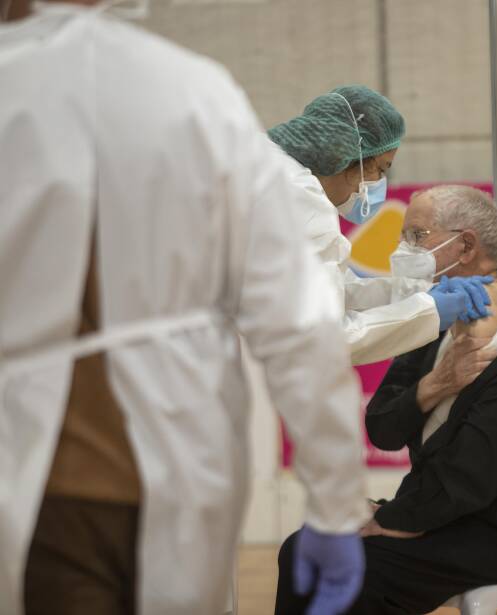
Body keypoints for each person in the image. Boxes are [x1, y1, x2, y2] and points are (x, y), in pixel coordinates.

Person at [0, 2, 370, 614]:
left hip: (45, 479)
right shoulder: (199, 92)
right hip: (188, 460)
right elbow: (300, 325)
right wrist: (336, 505)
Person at [275, 186, 497, 615]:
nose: (402, 249)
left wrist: (390, 520)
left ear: (466, 245)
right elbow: (382, 427)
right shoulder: (435, 315)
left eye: (416, 236)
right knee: (302, 549)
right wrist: (435, 384)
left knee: (351, 571)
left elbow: (473, 472)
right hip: (447, 511)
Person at [268, 87, 493, 366]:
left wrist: (416, 293)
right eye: (382, 168)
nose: (379, 182)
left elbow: (328, 287)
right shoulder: (306, 202)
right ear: (350, 155)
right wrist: (428, 312)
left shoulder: (273, 173)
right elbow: (324, 338)